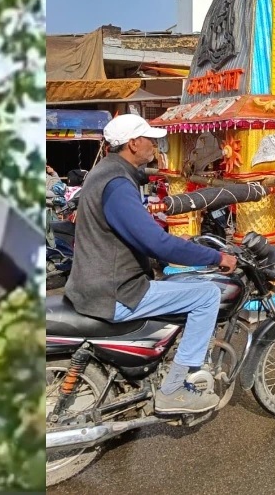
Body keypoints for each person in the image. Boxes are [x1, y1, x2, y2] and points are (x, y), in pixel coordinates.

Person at [65, 113, 237, 414]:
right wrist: (216, 257)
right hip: (113, 291)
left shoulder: (105, 172)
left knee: (178, 283)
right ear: (133, 144)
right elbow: (156, 241)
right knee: (207, 295)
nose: (155, 145)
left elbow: (130, 235)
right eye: (150, 139)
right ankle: (173, 391)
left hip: (96, 282)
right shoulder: (117, 185)